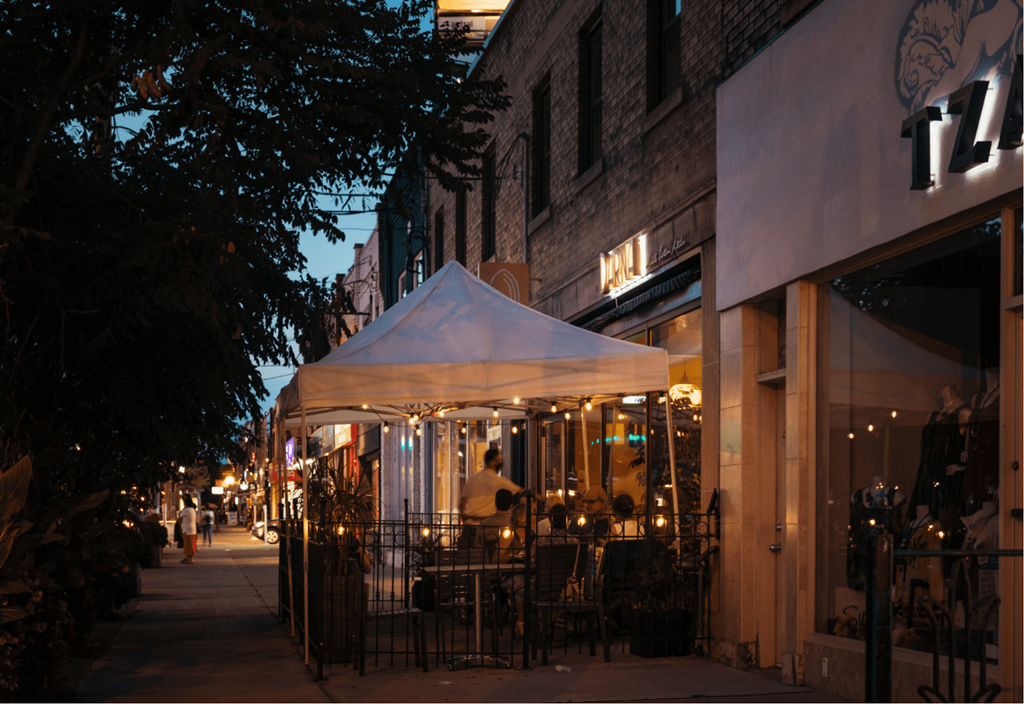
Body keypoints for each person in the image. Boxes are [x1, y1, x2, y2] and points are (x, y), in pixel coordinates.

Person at [459, 449, 522, 525]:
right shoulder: (498, 481)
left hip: (469, 524)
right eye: (498, 460)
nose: (500, 463)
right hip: (487, 524)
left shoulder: (471, 479)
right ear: (491, 461)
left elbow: (462, 501)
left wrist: (463, 518)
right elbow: (521, 491)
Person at [179, 495, 198, 564]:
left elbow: (180, 517)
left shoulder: (186, 510)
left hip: (187, 530)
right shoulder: (192, 510)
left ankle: (189, 559)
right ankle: (191, 558)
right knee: (192, 544)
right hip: (193, 529)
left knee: (187, 545)